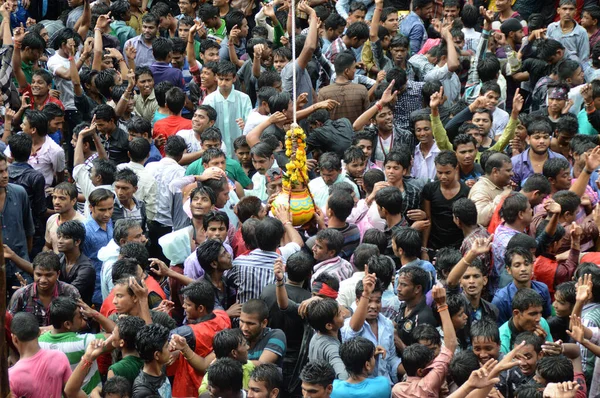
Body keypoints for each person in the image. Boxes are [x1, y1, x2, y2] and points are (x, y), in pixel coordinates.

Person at [39, 297, 114, 394]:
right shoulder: (85, 342)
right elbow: (117, 335)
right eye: (80, 316)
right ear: (67, 324)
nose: (83, 318)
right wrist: (94, 314)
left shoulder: (39, 342)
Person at [392, 285, 457, 397]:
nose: (431, 357)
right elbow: (451, 344)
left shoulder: (398, 389)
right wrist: (442, 305)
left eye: (432, 350)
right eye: (425, 351)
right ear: (420, 371)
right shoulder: (431, 380)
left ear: (440, 345)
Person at [169, 280, 231, 397]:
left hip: (190, 389)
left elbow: (158, 339)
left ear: (201, 308)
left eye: (188, 305)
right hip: (210, 387)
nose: (183, 306)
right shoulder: (223, 316)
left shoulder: (190, 332)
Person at [341, 270, 403, 385]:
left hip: (385, 387)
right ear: (358, 301)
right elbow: (353, 330)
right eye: (369, 301)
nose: (374, 306)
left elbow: (391, 359)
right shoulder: (348, 325)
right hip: (360, 389)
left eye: (378, 301)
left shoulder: (387, 324)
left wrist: (411, 370)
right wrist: (366, 293)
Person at [8, 312, 73, 398]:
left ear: (15, 339)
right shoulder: (59, 357)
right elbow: (71, 392)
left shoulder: (11, 377)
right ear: (39, 332)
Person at [9, 251, 81, 326]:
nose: (43, 280)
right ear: (33, 273)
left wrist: (49, 330)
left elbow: (83, 323)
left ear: (58, 274)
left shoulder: (70, 292)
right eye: (38, 275)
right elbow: (9, 323)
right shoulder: (21, 294)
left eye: (49, 275)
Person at [422, 151, 470, 251]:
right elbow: (427, 220)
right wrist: (424, 249)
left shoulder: (466, 191)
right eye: (440, 173)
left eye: (447, 173)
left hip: (457, 245)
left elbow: (467, 224)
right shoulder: (429, 189)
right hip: (434, 245)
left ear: (456, 169)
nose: (443, 177)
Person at [203, 60, 252, 158]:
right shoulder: (209, 100)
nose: (223, 83)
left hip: (241, 152)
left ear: (234, 78)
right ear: (216, 77)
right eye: (221, 79)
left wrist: (245, 125)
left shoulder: (244, 98)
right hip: (216, 154)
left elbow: (250, 124)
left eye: (227, 79)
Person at [492, 247, 553, 326]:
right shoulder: (501, 299)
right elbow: (500, 331)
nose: (523, 269)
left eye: (526, 264)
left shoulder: (542, 289)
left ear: (532, 266)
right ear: (509, 270)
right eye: (517, 265)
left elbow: (546, 318)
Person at [82, 188, 115, 307]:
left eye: (110, 209)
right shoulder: (85, 231)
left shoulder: (110, 222)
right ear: (91, 207)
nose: (107, 214)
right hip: (95, 288)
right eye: (102, 210)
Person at [198, 329, 255, 394]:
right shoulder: (207, 390)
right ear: (234, 353)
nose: (248, 347)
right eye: (244, 345)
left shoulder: (249, 366)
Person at [498, 288, 554, 354]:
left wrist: (542, 345)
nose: (538, 318)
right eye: (533, 314)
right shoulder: (502, 338)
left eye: (540, 313)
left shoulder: (542, 323)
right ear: (516, 313)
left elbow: (552, 356)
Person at [395, 265, 438, 346]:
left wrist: (397, 340)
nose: (398, 288)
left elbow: (419, 356)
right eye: (398, 284)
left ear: (417, 288)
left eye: (404, 285)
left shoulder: (424, 318)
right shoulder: (404, 305)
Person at [306, 298, 348, 380]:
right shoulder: (332, 348)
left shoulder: (315, 337)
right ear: (329, 325)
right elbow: (344, 376)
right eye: (339, 314)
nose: (343, 314)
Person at [468, 152, 513, 227]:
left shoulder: (504, 185)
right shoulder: (480, 189)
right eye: (508, 171)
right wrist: (502, 197)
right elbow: (480, 219)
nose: (512, 174)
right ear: (495, 171)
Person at [55, 220, 96, 305]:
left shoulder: (86, 268)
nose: (60, 241)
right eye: (59, 237)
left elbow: (69, 293)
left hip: (79, 313)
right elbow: (40, 269)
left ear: (77, 242)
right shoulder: (59, 258)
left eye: (66, 237)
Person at [239, 299, 287, 367]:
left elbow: (262, 365)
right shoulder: (236, 337)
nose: (244, 328)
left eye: (250, 324)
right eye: (241, 321)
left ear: (264, 323)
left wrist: (230, 365)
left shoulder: (276, 335)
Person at [131, 324, 172, 397]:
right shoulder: (142, 390)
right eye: (166, 346)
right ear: (157, 355)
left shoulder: (160, 367)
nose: (170, 348)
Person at [45, 182, 86, 253]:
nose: (56, 202)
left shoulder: (83, 223)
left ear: (73, 201)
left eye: (62, 198)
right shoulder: (51, 220)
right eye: (54, 197)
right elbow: (47, 246)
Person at [152, 87, 192, 157]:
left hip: (163, 162)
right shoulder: (191, 125)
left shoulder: (158, 125)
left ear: (166, 105)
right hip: (185, 163)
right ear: (184, 104)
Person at [107, 315, 146, 383]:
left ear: (122, 342)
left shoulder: (115, 369)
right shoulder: (149, 359)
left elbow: (110, 393)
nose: (111, 336)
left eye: (113, 333)